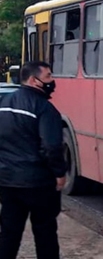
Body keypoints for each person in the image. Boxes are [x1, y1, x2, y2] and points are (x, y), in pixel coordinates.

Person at [0, 61, 67, 259]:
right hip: (38, 183)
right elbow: (52, 147)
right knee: (45, 233)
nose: (52, 81)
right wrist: (59, 173)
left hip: (7, 181)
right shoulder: (45, 108)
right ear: (33, 80)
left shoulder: (4, 106)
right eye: (48, 77)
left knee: (9, 233)